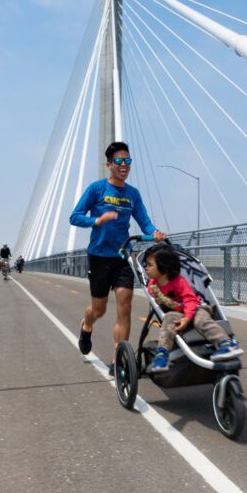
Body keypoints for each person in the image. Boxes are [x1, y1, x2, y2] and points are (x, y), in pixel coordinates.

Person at [69, 141, 166, 376]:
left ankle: (117, 357)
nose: (124, 165)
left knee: (125, 305)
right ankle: (86, 325)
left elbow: (144, 221)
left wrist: (154, 233)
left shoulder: (133, 194)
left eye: (128, 161)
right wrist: (96, 221)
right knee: (99, 309)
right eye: (119, 161)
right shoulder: (97, 189)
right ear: (109, 164)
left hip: (123, 256)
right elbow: (75, 217)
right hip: (99, 257)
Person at [142, 243, 241, 371]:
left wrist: (188, 318)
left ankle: (225, 343)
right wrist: (160, 301)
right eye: (145, 264)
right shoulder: (152, 285)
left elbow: (190, 300)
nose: (146, 268)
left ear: (164, 268)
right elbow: (161, 306)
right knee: (168, 319)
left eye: (149, 265)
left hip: (196, 308)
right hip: (176, 312)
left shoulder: (179, 281)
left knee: (201, 320)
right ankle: (162, 353)